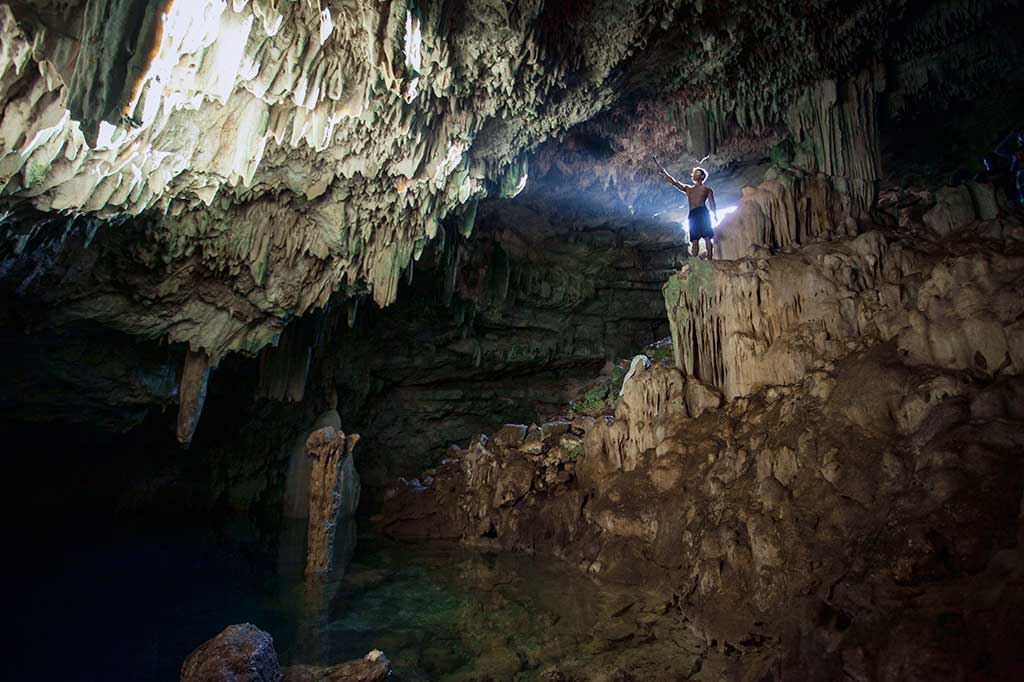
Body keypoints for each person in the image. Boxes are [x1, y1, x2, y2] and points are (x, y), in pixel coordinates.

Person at [655, 157, 718, 259]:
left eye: (697, 172)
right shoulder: (688, 189)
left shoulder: (707, 189)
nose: (695, 174)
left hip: (703, 212)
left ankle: (710, 259)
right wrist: (664, 173)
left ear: (702, 176)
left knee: (707, 236)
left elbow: (712, 203)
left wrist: (714, 215)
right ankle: (694, 261)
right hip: (693, 214)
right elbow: (675, 183)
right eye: (694, 173)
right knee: (694, 239)